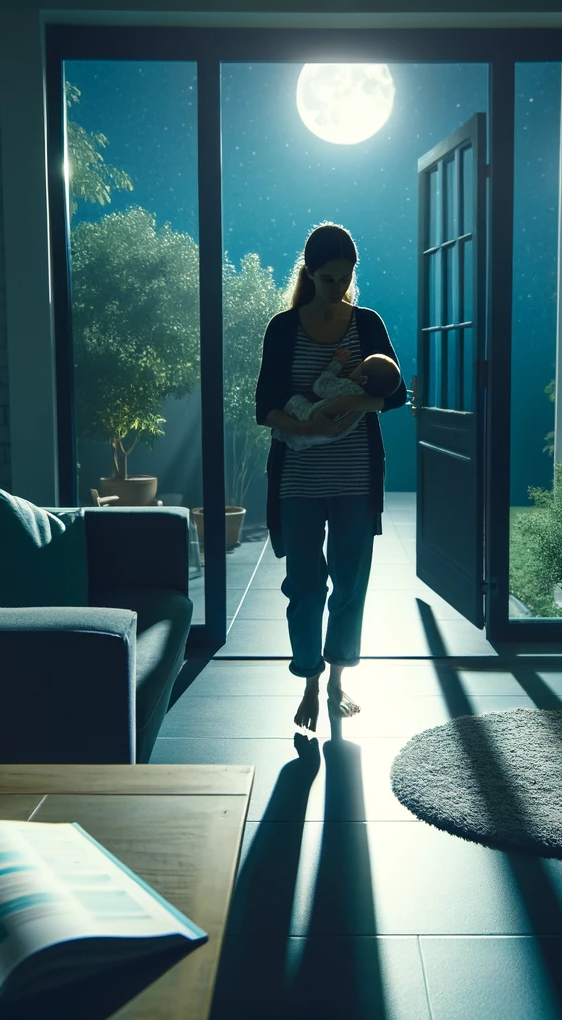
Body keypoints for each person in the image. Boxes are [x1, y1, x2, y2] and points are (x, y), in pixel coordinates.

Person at [255, 223, 408, 732]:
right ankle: (309, 681)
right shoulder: (283, 328)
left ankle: (338, 682)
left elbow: (397, 394)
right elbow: (264, 406)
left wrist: (353, 401)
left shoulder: (366, 324)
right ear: (309, 273)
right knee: (304, 585)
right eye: (328, 279)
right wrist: (303, 425)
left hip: (355, 479)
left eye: (346, 278)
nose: (338, 288)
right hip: (298, 478)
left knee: (350, 584)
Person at [272, 347, 402, 452]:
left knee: (294, 400)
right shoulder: (367, 405)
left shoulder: (349, 389)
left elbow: (320, 386)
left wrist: (336, 364)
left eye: (359, 366)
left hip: (307, 418)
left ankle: (282, 430)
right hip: (326, 437)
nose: (354, 367)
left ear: (363, 379)